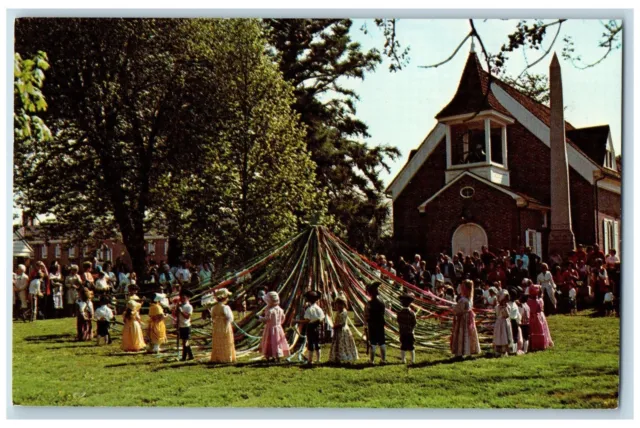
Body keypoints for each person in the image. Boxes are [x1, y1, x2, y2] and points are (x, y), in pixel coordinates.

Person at [450, 279, 481, 358]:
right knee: (468, 334)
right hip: (468, 319)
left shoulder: (463, 300)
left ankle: (460, 353)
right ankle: (468, 351)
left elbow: (457, 309)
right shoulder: (469, 299)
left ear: (466, 289)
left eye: (463, 287)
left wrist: (452, 308)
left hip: (463, 320)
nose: (461, 288)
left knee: (462, 334)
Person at [293, 290, 325, 365]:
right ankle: (318, 359)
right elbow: (322, 318)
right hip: (318, 327)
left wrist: (297, 321)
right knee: (317, 343)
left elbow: (307, 320)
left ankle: (310, 360)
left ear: (308, 300)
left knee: (311, 343)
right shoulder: (319, 308)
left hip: (311, 328)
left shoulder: (309, 309)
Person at [258, 291, 290, 362]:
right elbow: (283, 318)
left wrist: (260, 318)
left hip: (270, 328)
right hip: (278, 328)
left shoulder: (270, 310)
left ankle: (269, 355)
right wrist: (279, 324)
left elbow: (267, 319)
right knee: (277, 341)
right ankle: (278, 355)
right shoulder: (280, 309)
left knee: (269, 341)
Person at [328, 295, 359, 363]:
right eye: (337, 304)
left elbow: (342, 323)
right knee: (338, 344)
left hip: (343, 331)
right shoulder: (338, 312)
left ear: (344, 304)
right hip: (338, 330)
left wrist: (335, 326)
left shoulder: (344, 312)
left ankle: (346, 357)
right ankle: (337, 358)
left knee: (344, 344)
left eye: (340, 304)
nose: (338, 306)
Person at [210, 288, 236, 363]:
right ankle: (226, 357)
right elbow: (230, 318)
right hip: (224, 324)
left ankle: (218, 357)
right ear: (224, 297)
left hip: (217, 325)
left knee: (218, 340)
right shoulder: (225, 307)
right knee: (225, 340)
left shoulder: (214, 307)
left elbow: (213, 317)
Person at [364, 281, 387, 364]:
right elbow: (383, 313)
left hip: (372, 324)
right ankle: (383, 360)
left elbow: (366, 315)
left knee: (373, 342)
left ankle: (372, 360)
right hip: (380, 323)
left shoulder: (368, 304)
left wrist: (366, 325)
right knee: (382, 342)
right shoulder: (382, 303)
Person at [527, 285, 553, 351]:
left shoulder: (529, 301)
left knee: (535, 330)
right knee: (541, 329)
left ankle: (534, 344)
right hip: (539, 316)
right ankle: (541, 343)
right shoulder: (539, 300)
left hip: (533, 317)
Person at [397, 292, 417, 365]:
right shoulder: (412, 313)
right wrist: (412, 330)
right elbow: (414, 323)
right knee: (411, 347)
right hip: (410, 332)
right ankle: (413, 360)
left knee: (403, 346)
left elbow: (398, 321)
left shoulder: (399, 313)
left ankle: (403, 360)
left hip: (402, 332)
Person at [493, 290, 513, 357]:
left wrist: (504, 308)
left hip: (505, 323)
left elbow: (507, 315)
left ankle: (504, 351)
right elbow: (497, 314)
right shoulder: (497, 307)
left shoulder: (507, 307)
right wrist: (501, 307)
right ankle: (498, 350)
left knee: (505, 336)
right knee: (499, 336)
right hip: (499, 323)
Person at [176, 288, 194, 361]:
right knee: (185, 341)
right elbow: (177, 316)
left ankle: (184, 357)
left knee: (185, 342)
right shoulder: (181, 306)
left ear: (187, 298)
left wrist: (181, 311)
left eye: (184, 298)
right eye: (181, 298)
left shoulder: (189, 306)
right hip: (181, 325)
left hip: (186, 326)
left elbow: (187, 317)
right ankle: (190, 355)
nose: (182, 299)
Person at [507, 289, 522, 355]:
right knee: (514, 336)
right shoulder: (514, 304)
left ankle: (511, 349)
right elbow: (518, 314)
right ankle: (514, 350)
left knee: (511, 335)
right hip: (514, 321)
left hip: (510, 321)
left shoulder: (508, 305)